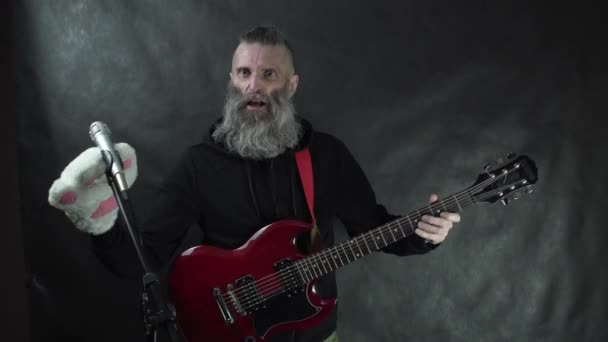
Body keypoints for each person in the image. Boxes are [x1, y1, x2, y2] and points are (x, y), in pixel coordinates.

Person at [48, 26, 461, 342]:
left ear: (291, 85)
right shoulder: (199, 164)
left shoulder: (327, 156)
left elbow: (372, 229)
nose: (254, 86)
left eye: (269, 74)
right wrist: (100, 224)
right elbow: (145, 258)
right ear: (232, 80)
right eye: (244, 73)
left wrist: (424, 233)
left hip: (316, 335)